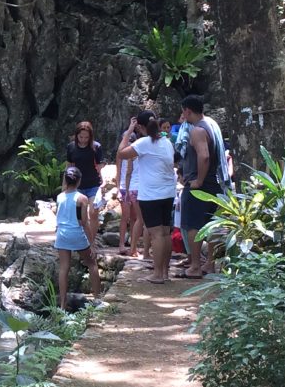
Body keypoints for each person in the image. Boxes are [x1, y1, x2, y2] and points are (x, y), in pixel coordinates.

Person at [117, 111, 176, 284]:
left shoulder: (144, 143)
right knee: (165, 233)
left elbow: (121, 153)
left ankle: (157, 274)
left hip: (152, 195)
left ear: (140, 127)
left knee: (156, 234)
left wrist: (128, 132)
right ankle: (164, 272)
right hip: (168, 193)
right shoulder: (166, 142)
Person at [180, 95, 228, 278]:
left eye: (183, 111)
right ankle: (209, 263)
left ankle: (194, 266)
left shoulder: (197, 130)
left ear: (187, 110)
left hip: (200, 185)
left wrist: (198, 180)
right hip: (215, 183)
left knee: (193, 225)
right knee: (212, 224)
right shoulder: (211, 124)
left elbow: (204, 156)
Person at [53, 166, 101, 310]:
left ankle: (62, 304)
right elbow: (84, 222)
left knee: (64, 268)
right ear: (79, 180)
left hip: (62, 235)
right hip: (76, 233)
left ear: (66, 180)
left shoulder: (59, 197)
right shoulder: (82, 198)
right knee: (91, 263)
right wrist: (91, 243)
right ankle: (98, 299)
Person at [65, 121, 106, 245]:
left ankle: (91, 242)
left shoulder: (96, 147)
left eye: (86, 137)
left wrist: (103, 179)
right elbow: (69, 167)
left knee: (93, 212)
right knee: (78, 215)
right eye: (81, 137)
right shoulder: (71, 147)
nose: (83, 140)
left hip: (94, 184)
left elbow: (100, 165)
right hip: (77, 185)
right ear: (77, 135)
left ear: (90, 136)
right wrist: (65, 186)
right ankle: (79, 240)